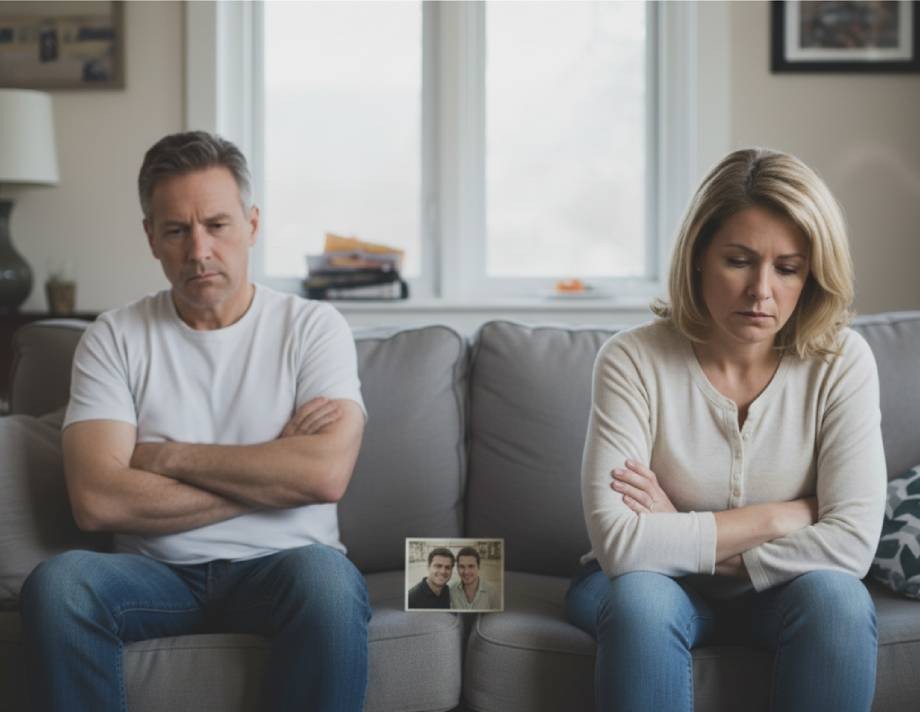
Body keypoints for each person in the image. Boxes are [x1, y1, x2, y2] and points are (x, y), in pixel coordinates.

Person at [20, 131, 371, 712]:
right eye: (177, 230)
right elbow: (98, 500)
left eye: (217, 224)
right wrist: (271, 474)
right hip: (153, 575)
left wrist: (165, 455)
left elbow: (324, 476)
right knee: (60, 585)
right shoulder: (114, 336)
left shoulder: (314, 328)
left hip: (284, 568)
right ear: (151, 238)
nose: (199, 250)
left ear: (252, 225)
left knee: (330, 584)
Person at [566, 148, 886, 712]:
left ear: (810, 276)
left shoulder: (842, 361)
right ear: (697, 258)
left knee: (837, 598)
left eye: (787, 269)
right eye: (739, 261)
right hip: (653, 589)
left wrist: (680, 531)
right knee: (642, 597)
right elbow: (619, 544)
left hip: (788, 593)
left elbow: (853, 544)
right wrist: (783, 515)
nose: (761, 290)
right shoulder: (631, 359)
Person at [450, 546, 497, 610]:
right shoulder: (451, 591)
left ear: (478, 567)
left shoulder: (491, 593)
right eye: (462, 566)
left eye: (471, 566)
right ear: (457, 568)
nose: (466, 572)